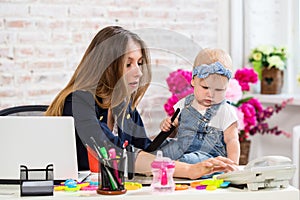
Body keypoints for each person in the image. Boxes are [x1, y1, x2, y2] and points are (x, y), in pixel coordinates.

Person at [45, 26, 237, 179]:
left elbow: (145, 148)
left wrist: (197, 152)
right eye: (128, 64)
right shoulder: (78, 102)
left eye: (139, 62)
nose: (138, 71)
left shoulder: (122, 104)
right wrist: (188, 169)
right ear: (106, 66)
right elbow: (114, 154)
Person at [159, 48, 240, 167]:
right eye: (205, 88)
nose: (211, 94)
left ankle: (175, 166)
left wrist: (233, 165)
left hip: (208, 157)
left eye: (218, 90)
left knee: (189, 160)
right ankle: (167, 163)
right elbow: (174, 125)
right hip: (182, 148)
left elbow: (232, 140)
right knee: (159, 147)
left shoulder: (225, 111)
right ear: (193, 81)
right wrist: (168, 124)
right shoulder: (185, 103)